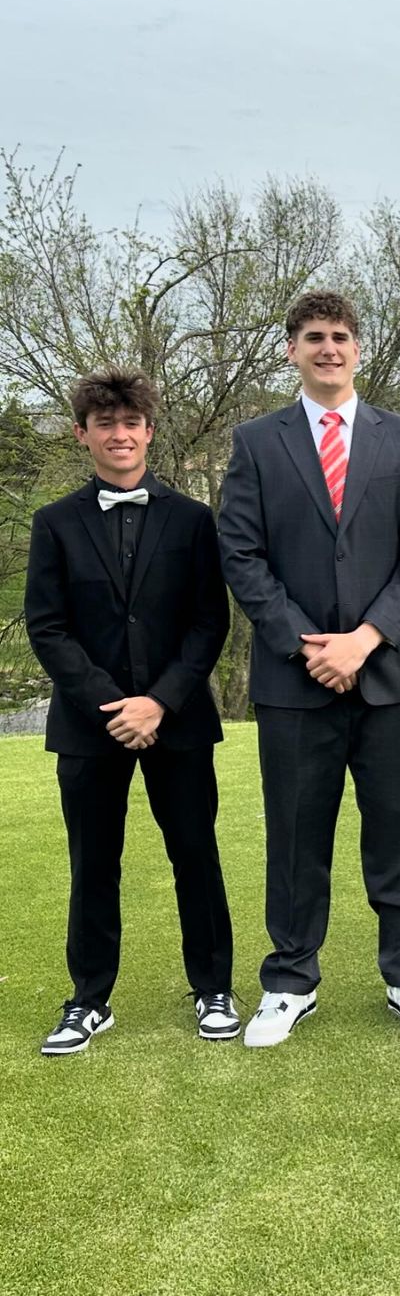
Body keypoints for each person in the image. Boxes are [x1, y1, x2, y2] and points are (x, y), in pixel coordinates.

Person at [218, 291, 400, 1044]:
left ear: (357, 347)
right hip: (294, 680)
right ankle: (290, 981)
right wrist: (308, 643)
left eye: (340, 336)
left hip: (386, 677)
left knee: (398, 834)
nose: (328, 347)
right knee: (294, 837)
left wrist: (366, 638)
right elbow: (241, 554)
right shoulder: (257, 442)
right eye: (314, 336)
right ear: (291, 349)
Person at [26, 368, 235, 1055]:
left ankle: (214, 988)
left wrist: (159, 701)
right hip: (90, 726)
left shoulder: (193, 519)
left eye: (131, 423)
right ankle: (89, 999)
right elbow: (48, 626)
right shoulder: (54, 522)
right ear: (82, 434)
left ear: (149, 430)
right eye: (105, 424)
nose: (119, 434)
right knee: (93, 863)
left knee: (195, 855)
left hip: (179, 719)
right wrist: (112, 705)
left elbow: (209, 621)